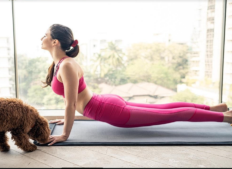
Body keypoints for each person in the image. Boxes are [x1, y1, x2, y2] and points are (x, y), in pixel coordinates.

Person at [40, 24, 232, 146]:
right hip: (104, 104)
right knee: (165, 108)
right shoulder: (60, 64)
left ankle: (225, 118)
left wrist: (65, 135)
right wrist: (68, 119)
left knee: (171, 114)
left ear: (55, 42)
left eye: (45, 35)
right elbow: (72, 100)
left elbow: (71, 104)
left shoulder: (66, 66)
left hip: (108, 109)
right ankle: (217, 109)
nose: (42, 38)